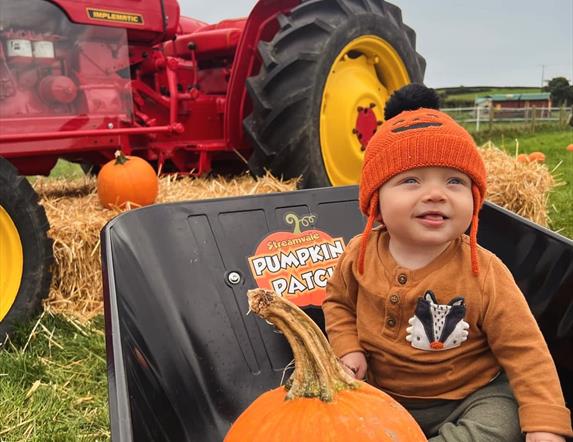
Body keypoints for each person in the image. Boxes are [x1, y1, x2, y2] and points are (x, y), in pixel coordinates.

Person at [322, 84, 573, 441]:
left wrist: (546, 423)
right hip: (381, 396)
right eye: (411, 180)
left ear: (473, 198)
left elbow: (525, 350)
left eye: (455, 181)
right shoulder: (358, 255)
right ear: (376, 199)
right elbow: (338, 303)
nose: (437, 194)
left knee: (502, 420)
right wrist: (348, 348)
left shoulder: (484, 272)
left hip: (471, 395)